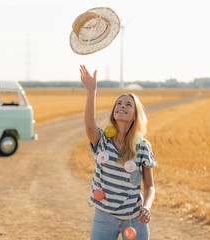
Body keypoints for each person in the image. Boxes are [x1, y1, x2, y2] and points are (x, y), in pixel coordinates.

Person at [79, 65, 156, 240]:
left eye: (128, 104)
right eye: (118, 104)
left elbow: (149, 186)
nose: (122, 106)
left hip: (135, 218)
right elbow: (89, 124)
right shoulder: (102, 141)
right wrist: (91, 91)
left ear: (135, 115)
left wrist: (147, 207)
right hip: (104, 216)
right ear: (114, 113)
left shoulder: (143, 146)